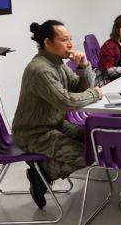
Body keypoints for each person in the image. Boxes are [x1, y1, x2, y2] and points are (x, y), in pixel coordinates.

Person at [12, 20, 104, 209]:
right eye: (64, 40)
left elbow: (79, 87)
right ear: (47, 42)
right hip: (34, 134)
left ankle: (44, 169)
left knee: (94, 140)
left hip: (54, 125)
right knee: (88, 155)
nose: (70, 44)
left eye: (70, 39)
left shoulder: (57, 64)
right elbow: (66, 101)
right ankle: (43, 173)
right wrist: (95, 93)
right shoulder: (41, 70)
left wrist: (83, 66)